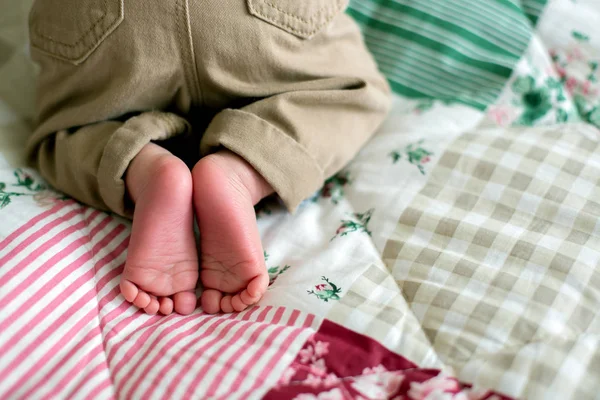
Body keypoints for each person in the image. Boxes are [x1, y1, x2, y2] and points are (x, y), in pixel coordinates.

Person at [27, 0, 391, 315]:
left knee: (71, 133)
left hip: (106, 29)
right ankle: (244, 167)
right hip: (258, 21)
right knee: (352, 97)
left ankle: (142, 166)